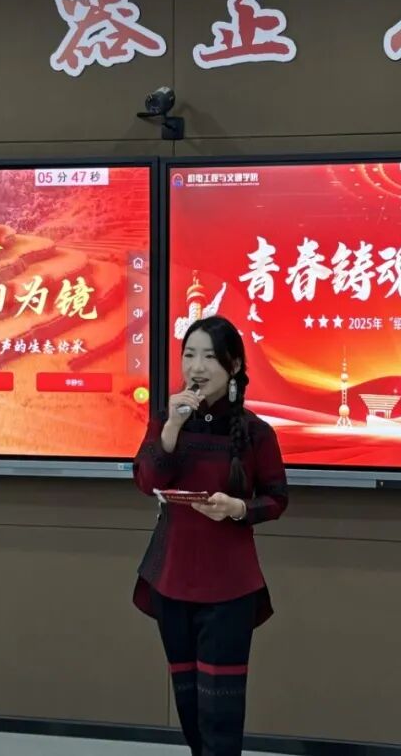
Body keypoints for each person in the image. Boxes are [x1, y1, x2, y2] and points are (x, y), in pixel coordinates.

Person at [132, 314, 288, 756]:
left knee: (221, 712)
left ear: (233, 366)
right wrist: (171, 429)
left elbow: (277, 498)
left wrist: (238, 508)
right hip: (172, 579)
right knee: (188, 704)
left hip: (229, 587)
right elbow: (146, 482)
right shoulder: (167, 421)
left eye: (209, 357)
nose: (196, 367)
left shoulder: (256, 432)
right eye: (189, 355)